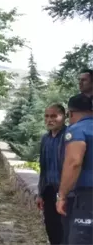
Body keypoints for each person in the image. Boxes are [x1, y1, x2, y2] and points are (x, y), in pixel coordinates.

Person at [56, 93, 93, 244]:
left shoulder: (77, 130)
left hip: (88, 196)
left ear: (70, 113)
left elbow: (74, 162)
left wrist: (62, 196)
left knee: (80, 239)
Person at [37, 103, 67, 245]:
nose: (49, 119)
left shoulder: (69, 137)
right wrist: (40, 193)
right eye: (47, 116)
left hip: (65, 192)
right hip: (49, 191)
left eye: (54, 116)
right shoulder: (45, 139)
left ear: (64, 116)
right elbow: (43, 167)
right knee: (51, 229)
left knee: (65, 231)